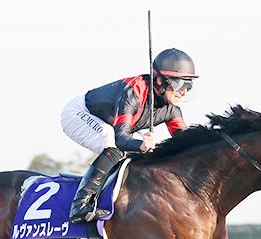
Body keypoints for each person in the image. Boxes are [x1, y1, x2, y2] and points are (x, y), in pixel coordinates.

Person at [61, 48, 197, 223]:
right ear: (160, 81)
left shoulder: (172, 109)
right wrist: (140, 145)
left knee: (146, 153)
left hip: (113, 122)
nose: (184, 92)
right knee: (112, 143)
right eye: (179, 84)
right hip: (80, 113)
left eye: (189, 85)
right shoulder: (133, 92)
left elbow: (185, 142)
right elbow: (121, 138)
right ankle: (81, 203)